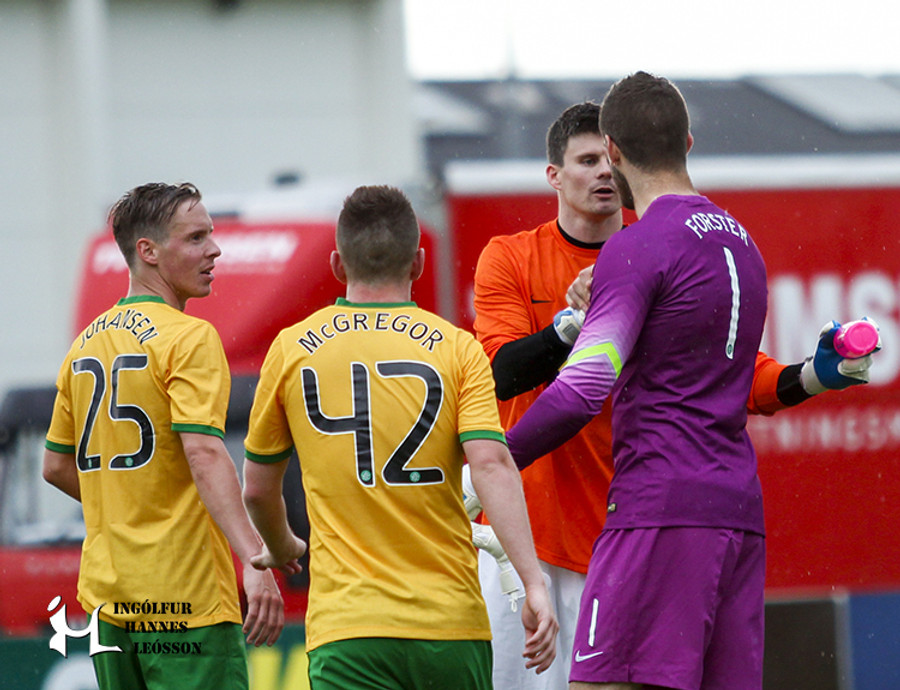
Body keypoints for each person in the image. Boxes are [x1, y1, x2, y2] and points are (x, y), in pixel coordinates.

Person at [470, 101, 879, 689]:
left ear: (621, 154)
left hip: (626, 529)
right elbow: (499, 374)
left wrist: (811, 376)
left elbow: (736, 377)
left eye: (605, 158)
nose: (602, 172)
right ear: (554, 175)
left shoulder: (651, 251)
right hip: (529, 537)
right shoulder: (512, 256)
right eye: (585, 161)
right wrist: (572, 323)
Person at [241, 184, 558, 689]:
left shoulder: (292, 349)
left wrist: (282, 547)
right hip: (449, 626)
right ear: (419, 263)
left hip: (349, 628)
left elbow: (258, 490)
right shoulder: (457, 349)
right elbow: (492, 465)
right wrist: (533, 582)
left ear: (337, 265)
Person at [42, 182, 293, 690]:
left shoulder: (84, 345)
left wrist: (129, 505)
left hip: (110, 603)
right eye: (196, 238)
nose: (214, 249)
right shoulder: (189, 336)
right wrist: (254, 558)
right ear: (148, 251)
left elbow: (56, 467)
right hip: (185, 597)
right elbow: (204, 453)